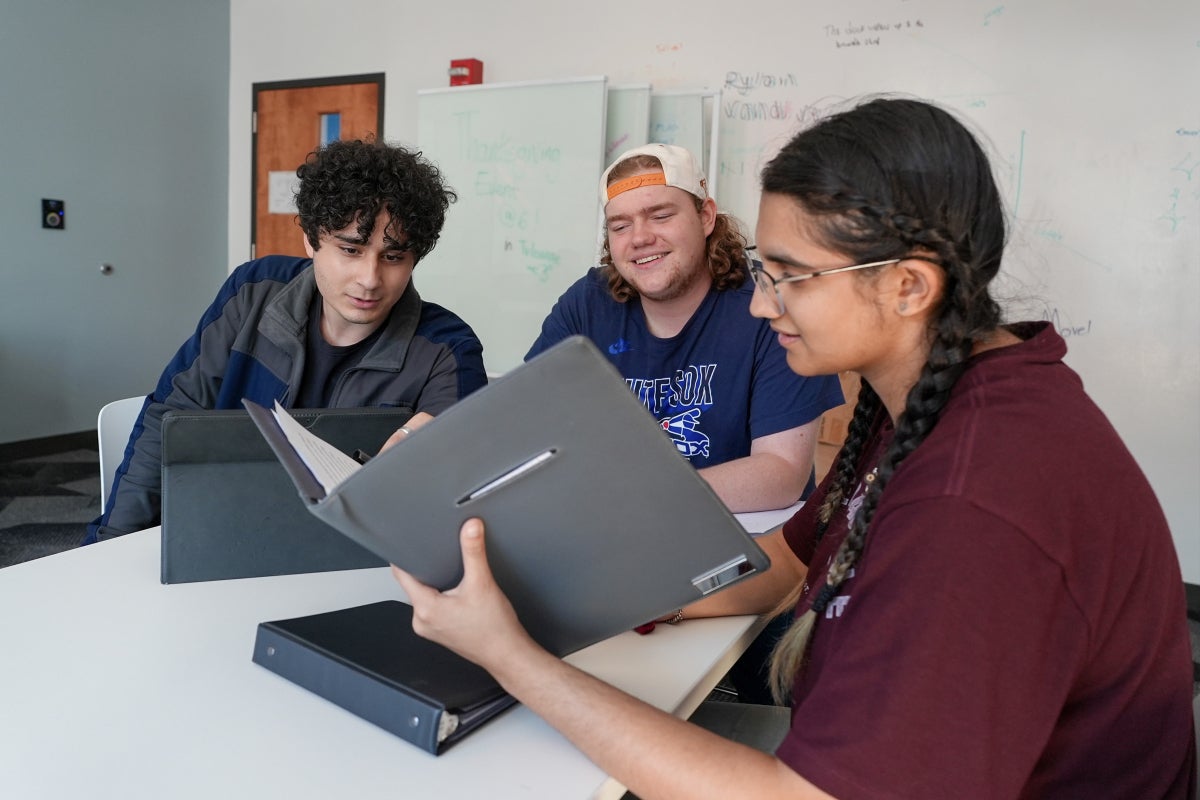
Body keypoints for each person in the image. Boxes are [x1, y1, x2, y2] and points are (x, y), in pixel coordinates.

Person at [389, 98, 1197, 798]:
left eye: (789, 276)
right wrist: (641, 596)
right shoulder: (932, 400)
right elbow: (787, 557)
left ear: (909, 286)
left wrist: (513, 658)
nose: (760, 306)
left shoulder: (976, 503)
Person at [86, 139, 487, 543]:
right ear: (311, 241)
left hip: (355, 556)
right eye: (350, 249)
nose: (370, 278)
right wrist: (108, 544)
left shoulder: (447, 349)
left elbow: (464, 480)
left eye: (393, 257)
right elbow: (170, 419)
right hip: (222, 529)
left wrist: (434, 448)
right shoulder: (253, 292)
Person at [525, 143, 843, 513]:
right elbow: (529, 421)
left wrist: (632, 496)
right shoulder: (587, 304)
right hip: (616, 528)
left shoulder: (769, 308)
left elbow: (782, 474)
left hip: (742, 535)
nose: (639, 237)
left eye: (660, 215)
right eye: (621, 225)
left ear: (706, 217)